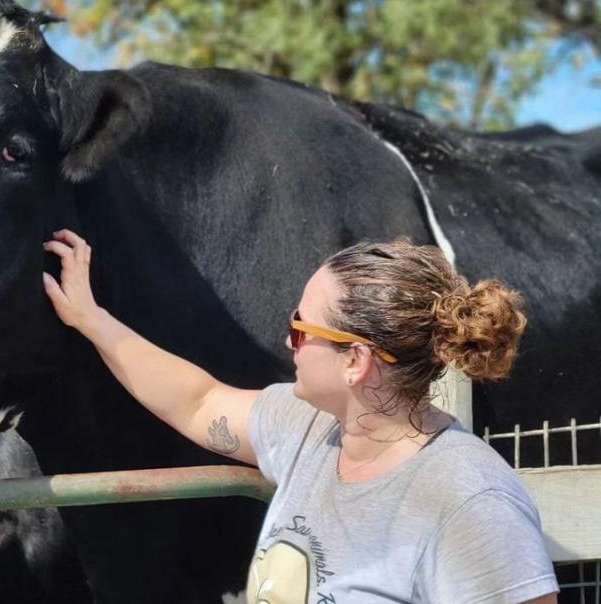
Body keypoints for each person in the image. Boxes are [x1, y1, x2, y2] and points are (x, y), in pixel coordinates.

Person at [42, 229, 558, 604]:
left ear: (356, 361)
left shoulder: (470, 504)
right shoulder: (309, 426)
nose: (287, 339)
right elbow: (197, 401)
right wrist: (92, 319)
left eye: (301, 328)